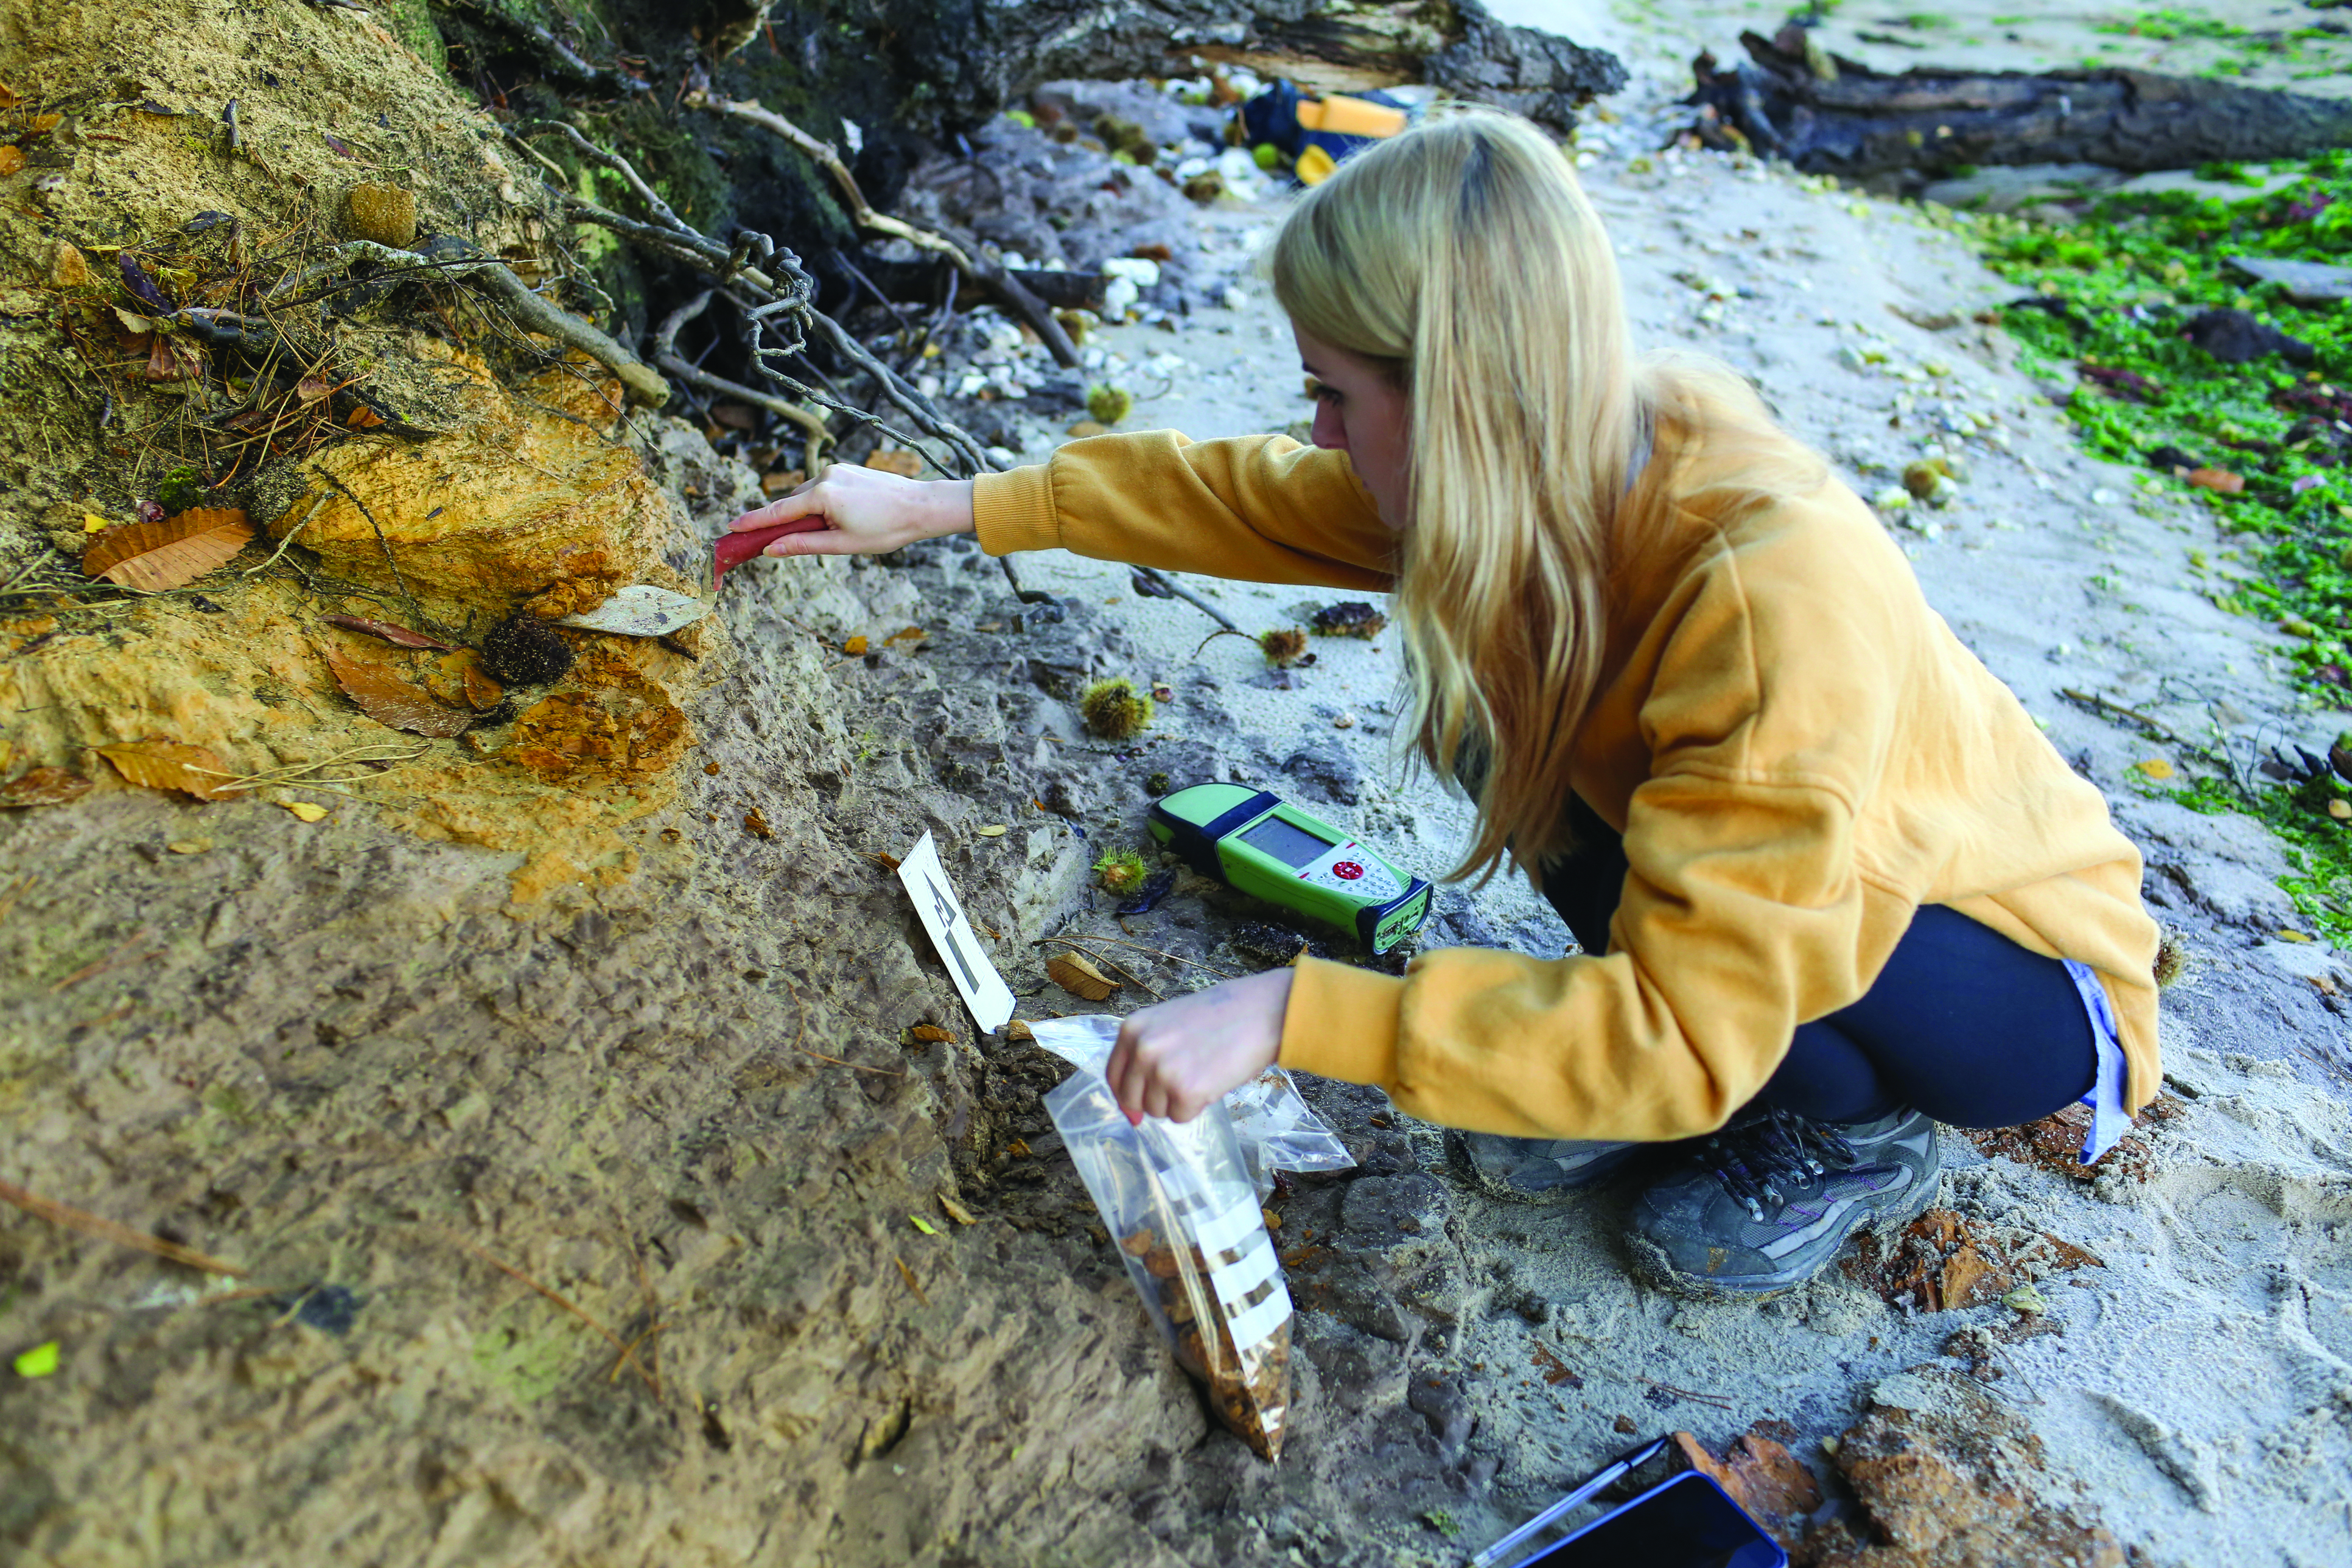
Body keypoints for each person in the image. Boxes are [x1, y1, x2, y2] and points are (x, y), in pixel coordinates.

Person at [724, 111, 2161, 1300]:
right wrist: (943, 503)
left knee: (1685, 1025)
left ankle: (1857, 1128)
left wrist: (1298, 1011)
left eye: (1340, 398)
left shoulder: (1770, 604)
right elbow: (1254, 495)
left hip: (2016, 980)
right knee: (1500, 717)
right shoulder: (1563, 450)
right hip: (1802, 890)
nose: (1317, 433)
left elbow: (1677, 1029)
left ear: (1468, 395)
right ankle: (1681, 1080)